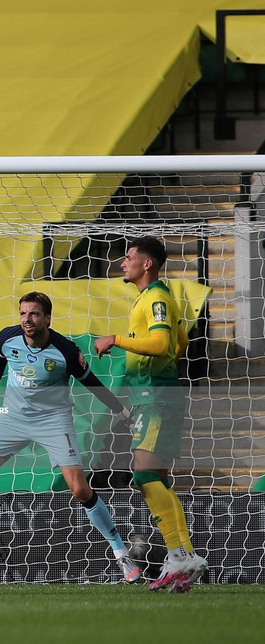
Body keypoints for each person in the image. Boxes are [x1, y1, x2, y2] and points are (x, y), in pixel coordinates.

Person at [0, 291, 142, 585]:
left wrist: (121, 411)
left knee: (80, 489)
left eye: (33, 314)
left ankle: (121, 554)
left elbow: (91, 383)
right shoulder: (8, 338)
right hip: (13, 420)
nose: (26, 320)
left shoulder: (66, 351)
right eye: (22, 314)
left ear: (47, 318)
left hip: (54, 421)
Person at [93, 236, 205, 593]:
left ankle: (179, 554)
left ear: (147, 264)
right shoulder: (154, 298)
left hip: (156, 395)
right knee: (157, 477)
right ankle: (183, 557)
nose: (122, 263)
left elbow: (161, 345)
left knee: (142, 475)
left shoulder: (156, 297)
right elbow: (179, 341)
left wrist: (117, 340)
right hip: (156, 395)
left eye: (128, 257)